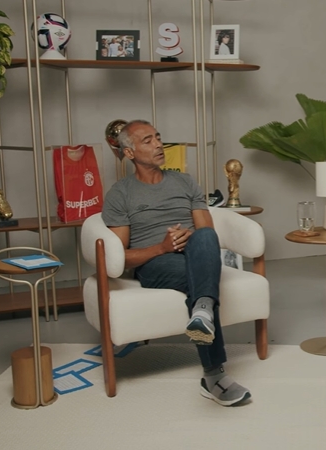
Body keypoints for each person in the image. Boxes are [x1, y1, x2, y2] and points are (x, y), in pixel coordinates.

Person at [102, 119, 251, 407]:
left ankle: (203, 314)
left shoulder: (185, 182)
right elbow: (119, 257)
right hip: (156, 262)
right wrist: (162, 247)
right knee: (200, 283)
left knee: (204, 237)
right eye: (148, 141)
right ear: (129, 153)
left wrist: (189, 237)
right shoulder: (120, 194)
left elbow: (208, 233)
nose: (158, 144)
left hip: (195, 253)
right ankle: (214, 374)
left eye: (158, 137)